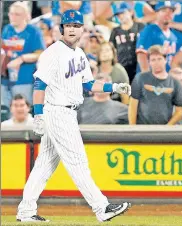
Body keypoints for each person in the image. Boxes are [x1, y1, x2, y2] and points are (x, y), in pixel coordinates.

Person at [16, 9, 131, 223]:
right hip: (57, 111)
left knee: (44, 165)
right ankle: (101, 207)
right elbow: (40, 83)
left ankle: (26, 211)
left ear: (81, 30)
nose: (72, 29)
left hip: (67, 112)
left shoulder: (79, 55)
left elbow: (87, 84)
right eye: (68, 25)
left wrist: (114, 86)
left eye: (76, 26)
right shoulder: (53, 52)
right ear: (62, 29)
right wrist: (38, 114)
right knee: (78, 162)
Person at [1, 1, 45, 107]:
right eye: (11, 14)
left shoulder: (34, 31)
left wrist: (22, 59)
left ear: (25, 15)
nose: (13, 17)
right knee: (6, 112)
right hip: (5, 80)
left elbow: (41, 54)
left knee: (23, 110)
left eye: (17, 14)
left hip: (24, 79)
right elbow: (4, 49)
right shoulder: (7, 29)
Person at [129, 45, 182, 125]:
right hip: (142, 129)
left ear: (165, 60)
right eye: (153, 60)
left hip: (164, 132)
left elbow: (180, 110)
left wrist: (167, 127)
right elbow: (132, 106)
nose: (157, 63)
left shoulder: (175, 83)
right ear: (149, 62)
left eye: (159, 59)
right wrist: (132, 128)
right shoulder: (140, 78)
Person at [136, 1, 177, 73]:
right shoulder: (149, 30)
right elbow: (141, 55)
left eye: (170, 11)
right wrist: (147, 77)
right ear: (157, 13)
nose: (167, 14)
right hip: (150, 78)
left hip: (165, 79)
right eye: (163, 11)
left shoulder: (173, 36)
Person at [109, 2, 144, 84]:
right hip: (122, 67)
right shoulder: (115, 31)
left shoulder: (140, 27)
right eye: (118, 15)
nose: (121, 16)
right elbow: (111, 48)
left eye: (123, 13)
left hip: (139, 67)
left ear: (131, 12)